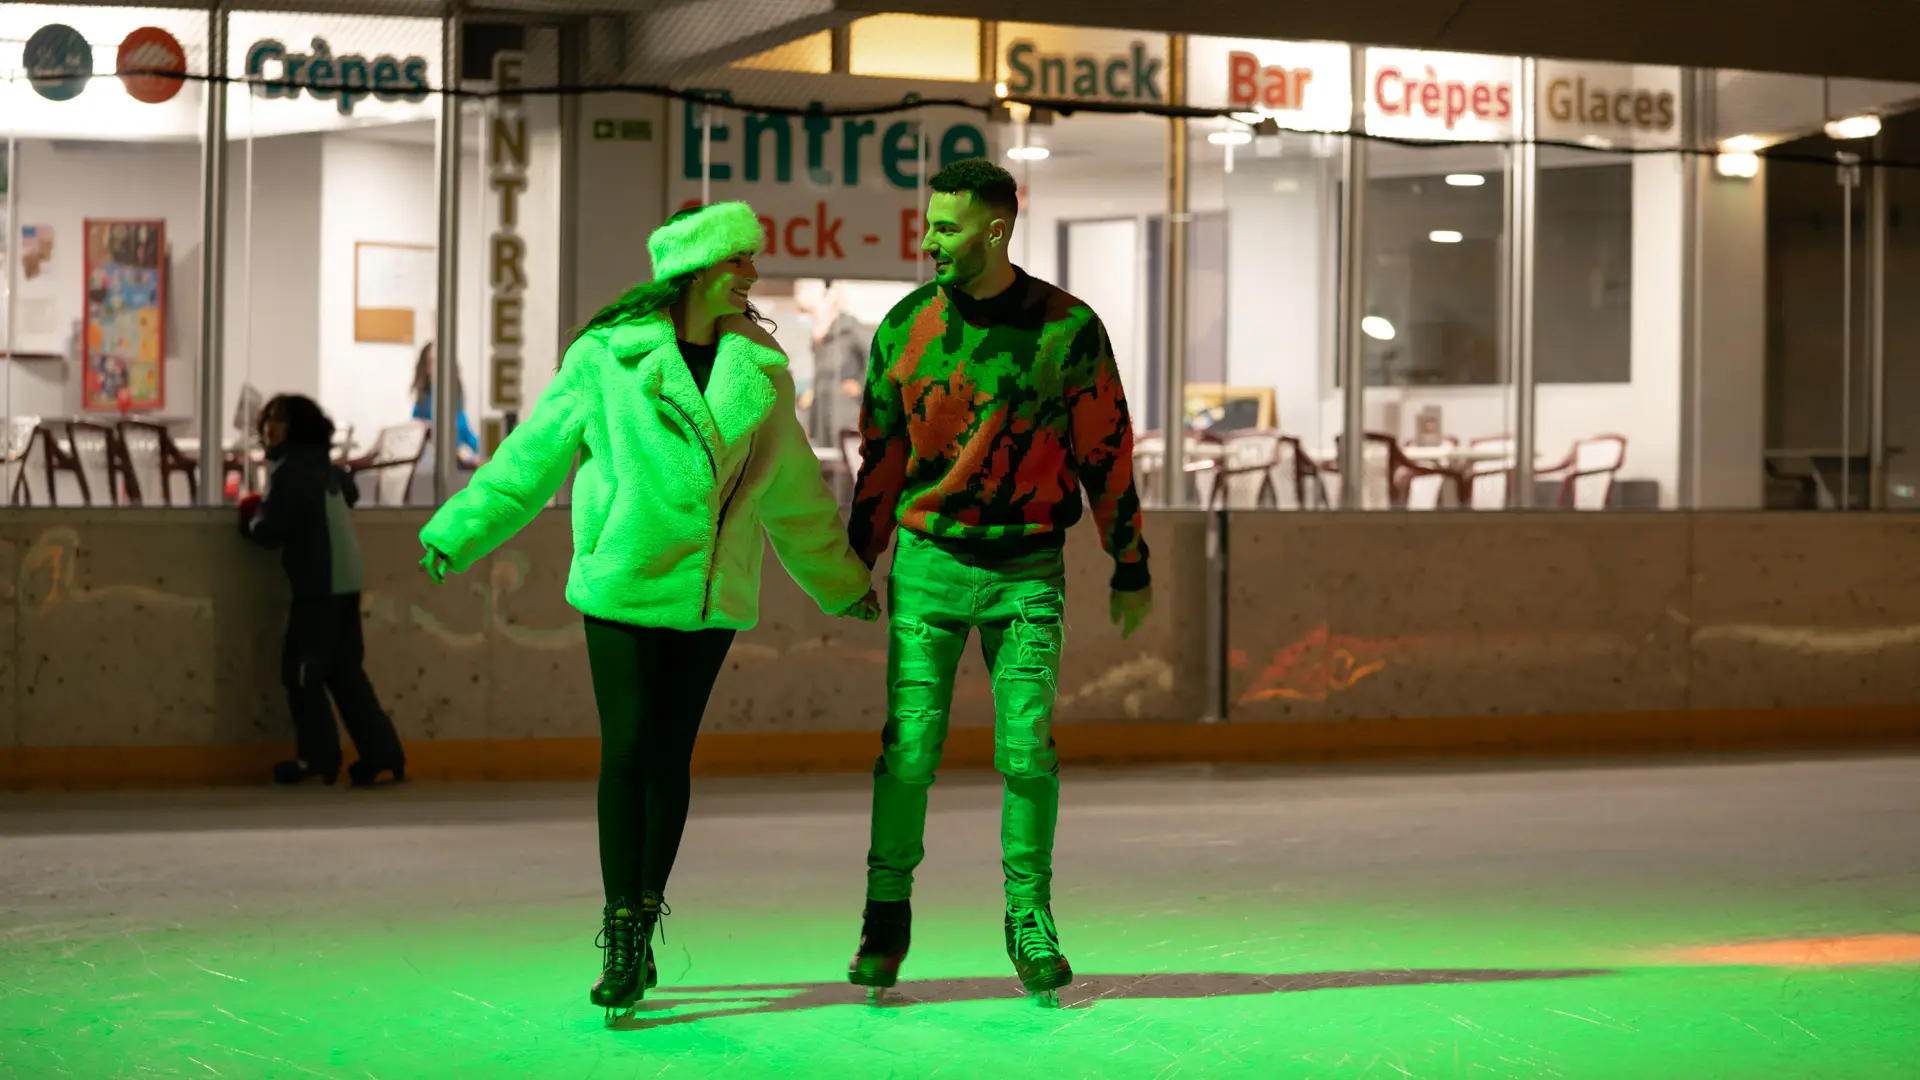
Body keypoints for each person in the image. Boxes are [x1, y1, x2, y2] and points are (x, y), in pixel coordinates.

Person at [414, 202, 881, 1022]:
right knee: (627, 747)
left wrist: (840, 581)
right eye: (739, 260)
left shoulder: (762, 369)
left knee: (669, 755)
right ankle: (621, 930)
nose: (751, 274)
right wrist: (460, 529)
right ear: (699, 268)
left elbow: (795, 497)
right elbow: (532, 457)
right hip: (625, 583)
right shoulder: (608, 358)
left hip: (709, 595)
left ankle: (644, 913)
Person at [845, 158, 1153, 1006]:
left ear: (994, 228)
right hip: (930, 567)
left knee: (1026, 753)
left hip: (1026, 572)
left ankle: (1029, 915)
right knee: (907, 752)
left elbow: (1106, 451)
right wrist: (856, 558)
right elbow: (882, 457)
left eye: (946, 226)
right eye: (929, 223)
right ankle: (886, 914)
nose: (930, 239)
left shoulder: (1067, 329)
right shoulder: (905, 329)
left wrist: (1130, 560)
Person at [239, 394, 408, 789]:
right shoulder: (328, 470)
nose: (269, 427)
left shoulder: (291, 472)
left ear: (297, 427)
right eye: (268, 419)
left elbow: (269, 530)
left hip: (318, 586)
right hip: (346, 583)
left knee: (301, 674)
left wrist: (249, 518)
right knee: (345, 674)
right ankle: (383, 755)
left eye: (279, 420)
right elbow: (350, 492)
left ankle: (317, 758)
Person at [794, 279, 869, 447]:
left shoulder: (850, 329)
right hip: (822, 419)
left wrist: (861, 385)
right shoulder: (820, 337)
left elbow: (879, 358)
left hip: (847, 417)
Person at [410, 341, 480, 464]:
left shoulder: (455, 400)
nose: (437, 367)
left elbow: (467, 436)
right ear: (425, 368)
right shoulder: (422, 405)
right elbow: (430, 443)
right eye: (431, 362)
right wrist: (463, 455)